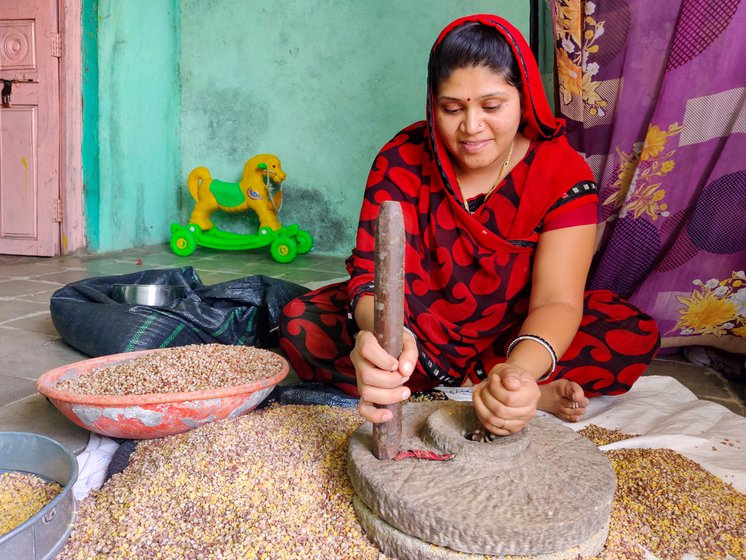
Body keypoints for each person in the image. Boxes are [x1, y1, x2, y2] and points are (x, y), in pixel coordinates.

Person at [279, 14, 660, 435]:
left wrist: (517, 373)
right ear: (433, 103)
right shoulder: (401, 158)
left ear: (525, 98)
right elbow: (370, 277)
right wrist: (384, 340)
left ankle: (511, 387)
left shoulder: (561, 173)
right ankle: (482, 387)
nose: (471, 127)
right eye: (451, 109)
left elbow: (556, 300)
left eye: (492, 106)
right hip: (416, 333)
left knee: (629, 334)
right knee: (301, 324)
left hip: (512, 333)